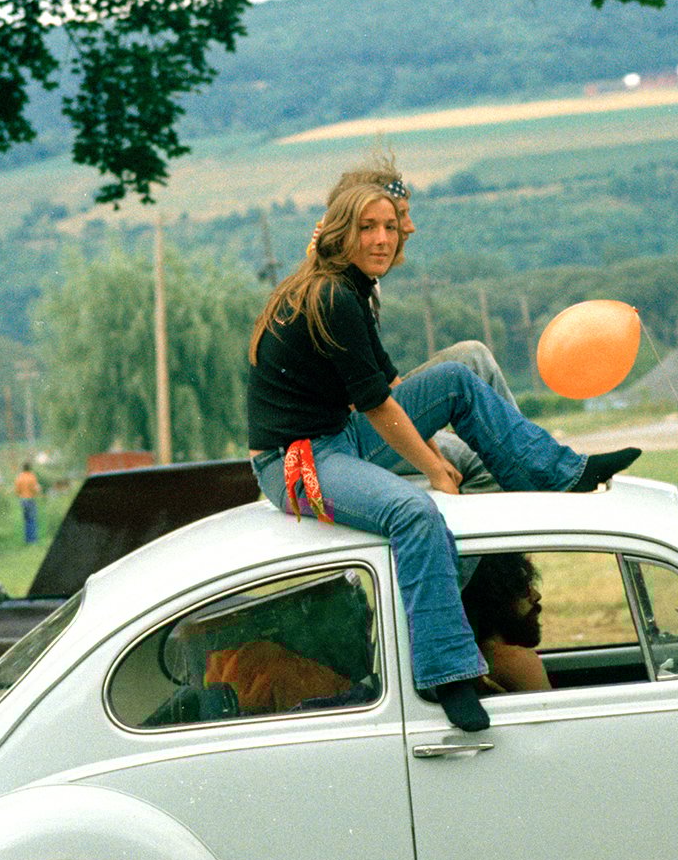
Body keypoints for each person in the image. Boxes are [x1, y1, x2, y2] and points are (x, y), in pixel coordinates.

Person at [247, 183, 640, 732]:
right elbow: (379, 405)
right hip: (298, 465)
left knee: (457, 377)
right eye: (367, 227)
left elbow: (389, 387)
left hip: (344, 436)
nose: (383, 237)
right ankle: (445, 673)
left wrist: (434, 450)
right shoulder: (332, 297)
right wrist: (435, 471)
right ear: (340, 232)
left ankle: (562, 474)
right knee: (413, 512)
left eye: (390, 226)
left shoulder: (351, 289)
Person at [323, 156, 519, 491]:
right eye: (399, 216)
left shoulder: (361, 281)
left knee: (474, 373)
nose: (408, 227)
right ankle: (526, 477)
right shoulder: (337, 289)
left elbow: (388, 383)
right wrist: (432, 462)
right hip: (352, 438)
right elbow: (368, 399)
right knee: (482, 452)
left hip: (368, 425)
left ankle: (527, 459)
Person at [461, 552, 551, 695]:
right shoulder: (518, 661)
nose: (536, 596)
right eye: (522, 588)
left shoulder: (468, 659)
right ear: (496, 599)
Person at [14, 462, 41, 544]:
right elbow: (35, 489)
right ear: (30, 468)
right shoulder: (32, 476)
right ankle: (33, 540)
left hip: (22, 500)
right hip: (30, 499)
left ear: (23, 468)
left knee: (26, 520)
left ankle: (27, 540)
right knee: (32, 520)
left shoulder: (19, 477)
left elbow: (17, 491)